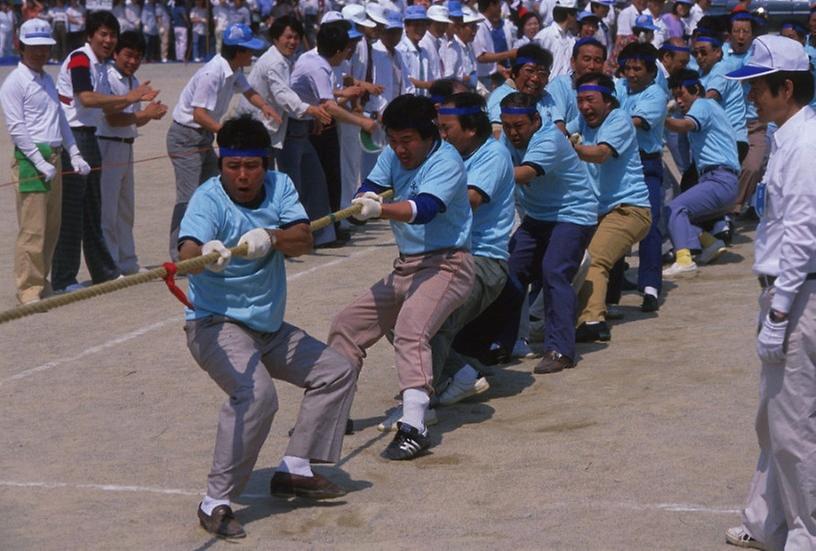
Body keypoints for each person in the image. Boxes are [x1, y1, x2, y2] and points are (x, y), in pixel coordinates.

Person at [178, 116, 357, 540]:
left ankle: (295, 466)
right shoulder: (207, 200)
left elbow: (304, 239)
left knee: (337, 370)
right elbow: (186, 250)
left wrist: (272, 238)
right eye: (233, 165)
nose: (243, 176)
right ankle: (215, 500)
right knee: (256, 395)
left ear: (266, 164)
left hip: (268, 328)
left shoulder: (281, 186)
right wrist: (207, 252)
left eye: (253, 166)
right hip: (215, 324)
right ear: (221, 164)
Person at [327, 94, 475, 461]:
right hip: (407, 265)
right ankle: (332, 412)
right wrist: (364, 199)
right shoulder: (393, 153)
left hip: (448, 264)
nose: (399, 149)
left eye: (407, 140)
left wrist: (377, 211)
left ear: (429, 135)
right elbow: (372, 186)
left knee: (411, 330)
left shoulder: (447, 160)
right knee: (347, 324)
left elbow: (424, 209)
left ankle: (414, 426)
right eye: (393, 140)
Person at [721, 35, 816, 551]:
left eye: (757, 86)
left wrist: (779, 312)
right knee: (773, 419)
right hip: (788, 293)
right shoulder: (789, 137)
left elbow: (802, 232)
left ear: (785, 87)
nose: (750, 96)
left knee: (794, 425)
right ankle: (766, 520)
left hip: (797, 295)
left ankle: (807, 533)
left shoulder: (805, 144)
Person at [54, 10, 156, 293]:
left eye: (112, 35)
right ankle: (64, 278)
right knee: (75, 211)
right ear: (90, 35)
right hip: (74, 137)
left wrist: (141, 110)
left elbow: (106, 107)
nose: (109, 40)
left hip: (89, 135)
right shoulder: (80, 58)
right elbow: (85, 97)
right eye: (103, 34)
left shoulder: (98, 65)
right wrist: (129, 98)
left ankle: (104, 272)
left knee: (93, 209)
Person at [495, 91, 597, 372]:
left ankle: (560, 350)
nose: (513, 133)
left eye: (519, 126)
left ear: (536, 120)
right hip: (538, 217)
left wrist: (473, 177)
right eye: (507, 126)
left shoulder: (549, 139)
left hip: (573, 214)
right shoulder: (507, 139)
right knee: (510, 272)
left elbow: (524, 173)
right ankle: (503, 343)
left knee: (554, 271)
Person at [166, 23, 280, 262]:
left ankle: (207, 243)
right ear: (238, 51)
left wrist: (266, 107)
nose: (252, 54)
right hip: (187, 136)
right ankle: (180, 254)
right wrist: (227, 134)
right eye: (249, 50)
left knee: (211, 191)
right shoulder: (213, 73)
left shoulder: (234, 69)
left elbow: (249, 91)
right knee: (188, 197)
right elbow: (199, 114)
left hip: (204, 135)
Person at [428, 92, 515, 404]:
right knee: (397, 317)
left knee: (427, 323)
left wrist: (417, 204)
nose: (441, 134)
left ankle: (421, 402)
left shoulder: (493, 155)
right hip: (448, 256)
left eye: (446, 128)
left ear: (471, 129)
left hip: (482, 260)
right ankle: (463, 372)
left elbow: (471, 201)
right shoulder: (449, 154)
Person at [0, 19, 89, 304]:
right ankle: (27, 287)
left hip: (54, 156)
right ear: (21, 46)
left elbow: (60, 118)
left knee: (52, 226)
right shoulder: (14, 83)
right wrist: (39, 162)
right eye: (34, 47)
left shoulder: (47, 79)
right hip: (31, 159)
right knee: (33, 228)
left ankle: (41, 279)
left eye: (45, 47)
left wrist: (74, 151)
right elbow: (17, 129)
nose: (40, 53)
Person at [280, 20, 378, 248]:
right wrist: (362, 122)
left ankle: (326, 231)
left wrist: (343, 93)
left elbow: (325, 95)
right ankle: (308, 234)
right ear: (338, 50)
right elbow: (330, 106)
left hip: (310, 124)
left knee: (322, 180)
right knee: (308, 183)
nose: (349, 53)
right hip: (298, 128)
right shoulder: (319, 65)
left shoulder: (317, 62)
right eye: (347, 49)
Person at [570, 72, 652, 343]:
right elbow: (559, 132)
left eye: (590, 100)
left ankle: (593, 321)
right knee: (573, 259)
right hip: (601, 212)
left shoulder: (619, 120)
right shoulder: (582, 121)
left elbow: (601, 154)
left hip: (631, 209)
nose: (584, 107)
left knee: (594, 259)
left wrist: (571, 148)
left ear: (609, 101)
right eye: (580, 100)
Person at [97, 31, 167, 276]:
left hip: (126, 146)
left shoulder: (133, 81)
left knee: (125, 208)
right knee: (108, 210)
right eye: (128, 55)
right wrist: (145, 114)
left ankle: (127, 261)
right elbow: (113, 118)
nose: (132, 61)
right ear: (116, 53)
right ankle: (110, 265)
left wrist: (150, 113)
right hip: (107, 144)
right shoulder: (108, 77)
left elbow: (134, 122)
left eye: (137, 57)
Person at [662, 69, 739, 278]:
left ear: (696, 89)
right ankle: (711, 243)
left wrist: (660, 117)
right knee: (678, 216)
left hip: (720, 179)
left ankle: (684, 260)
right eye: (675, 96)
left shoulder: (702, 105)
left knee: (674, 209)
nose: (678, 101)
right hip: (721, 181)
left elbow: (684, 126)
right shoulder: (709, 107)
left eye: (681, 95)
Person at [235, 16, 331, 165]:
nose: (293, 42)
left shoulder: (288, 58)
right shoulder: (275, 62)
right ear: (276, 38)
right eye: (288, 37)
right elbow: (283, 95)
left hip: (272, 126)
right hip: (256, 126)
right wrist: (311, 110)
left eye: (296, 37)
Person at [616, 41, 668, 311]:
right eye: (627, 68)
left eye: (637, 69)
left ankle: (650, 285)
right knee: (611, 222)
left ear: (651, 72)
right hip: (617, 164)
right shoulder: (618, 87)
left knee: (650, 224)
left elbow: (635, 121)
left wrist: (608, 118)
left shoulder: (655, 94)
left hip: (646, 163)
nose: (631, 74)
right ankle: (613, 285)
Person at [721, 12, 765, 218]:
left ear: (752, 34)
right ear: (729, 34)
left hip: (753, 122)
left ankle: (732, 207)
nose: (741, 36)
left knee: (753, 166)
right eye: (736, 31)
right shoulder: (720, 54)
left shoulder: (759, 55)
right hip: (726, 121)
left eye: (745, 32)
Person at [486, 43, 562, 135]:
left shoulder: (545, 96)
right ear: (514, 73)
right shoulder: (502, 96)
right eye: (529, 71)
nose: (535, 78)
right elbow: (497, 134)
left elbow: (560, 128)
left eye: (542, 73)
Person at [546, 37, 606, 127]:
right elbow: (557, 126)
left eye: (597, 61)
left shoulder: (607, 89)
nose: (592, 66)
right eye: (587, 59)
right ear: (573, 62)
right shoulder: (559, 85)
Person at [473, 0, 516, 89]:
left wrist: (497, 67)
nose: (500, 9)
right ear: (491, 5)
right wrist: (509, 54)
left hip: (491, 77)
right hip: (482, 78)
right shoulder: (480, 25)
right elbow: (481, 56)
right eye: (498, 5)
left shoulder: (486, 25)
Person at [534, 0, 578, 78]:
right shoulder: (544, 36)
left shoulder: (572, 39)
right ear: (569, 15)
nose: (576, 18)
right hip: (548, 86)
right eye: (575, 14)